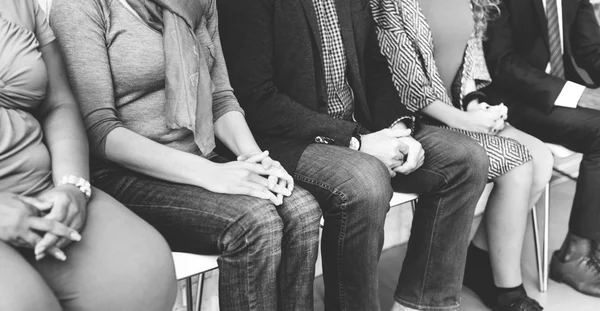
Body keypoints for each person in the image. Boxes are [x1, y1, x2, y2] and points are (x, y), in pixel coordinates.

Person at [217, 0, 491, 310]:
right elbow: (256, 99)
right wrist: (356, 142)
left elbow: (374, 68)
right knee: (365, 181)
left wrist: (398, 130)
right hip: (284, 141)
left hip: (361, 128)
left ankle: (424, 304)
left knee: (466, 159)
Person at [49, 0, 323, 310]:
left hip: (198, 156)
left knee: (301, 209)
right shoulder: (79, 6)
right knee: (256, 222)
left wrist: (254, 157)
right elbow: (99, 130)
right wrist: (211, 174)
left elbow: (220, 97)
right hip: (124, 174)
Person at [370, 0, 554, 310]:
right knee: (520, 164)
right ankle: (508, 288)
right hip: (413, 121)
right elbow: (407, 86)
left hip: (457, 112)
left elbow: (471, 61)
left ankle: (479, 259)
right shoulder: (389, 3)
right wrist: (466, 121)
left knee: (542, 159)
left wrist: (474, 106)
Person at [0, 0, 177, 310]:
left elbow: (58, 103)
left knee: (141, 275)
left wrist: (72, 186)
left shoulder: (19, 5)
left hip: (39, 186)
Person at [484, 0, 600, 298]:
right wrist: (578, 95)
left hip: (559, 94)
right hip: (513, 99)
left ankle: (594, 245)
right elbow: (502, 63)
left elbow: (591, 49)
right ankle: (573, 254)